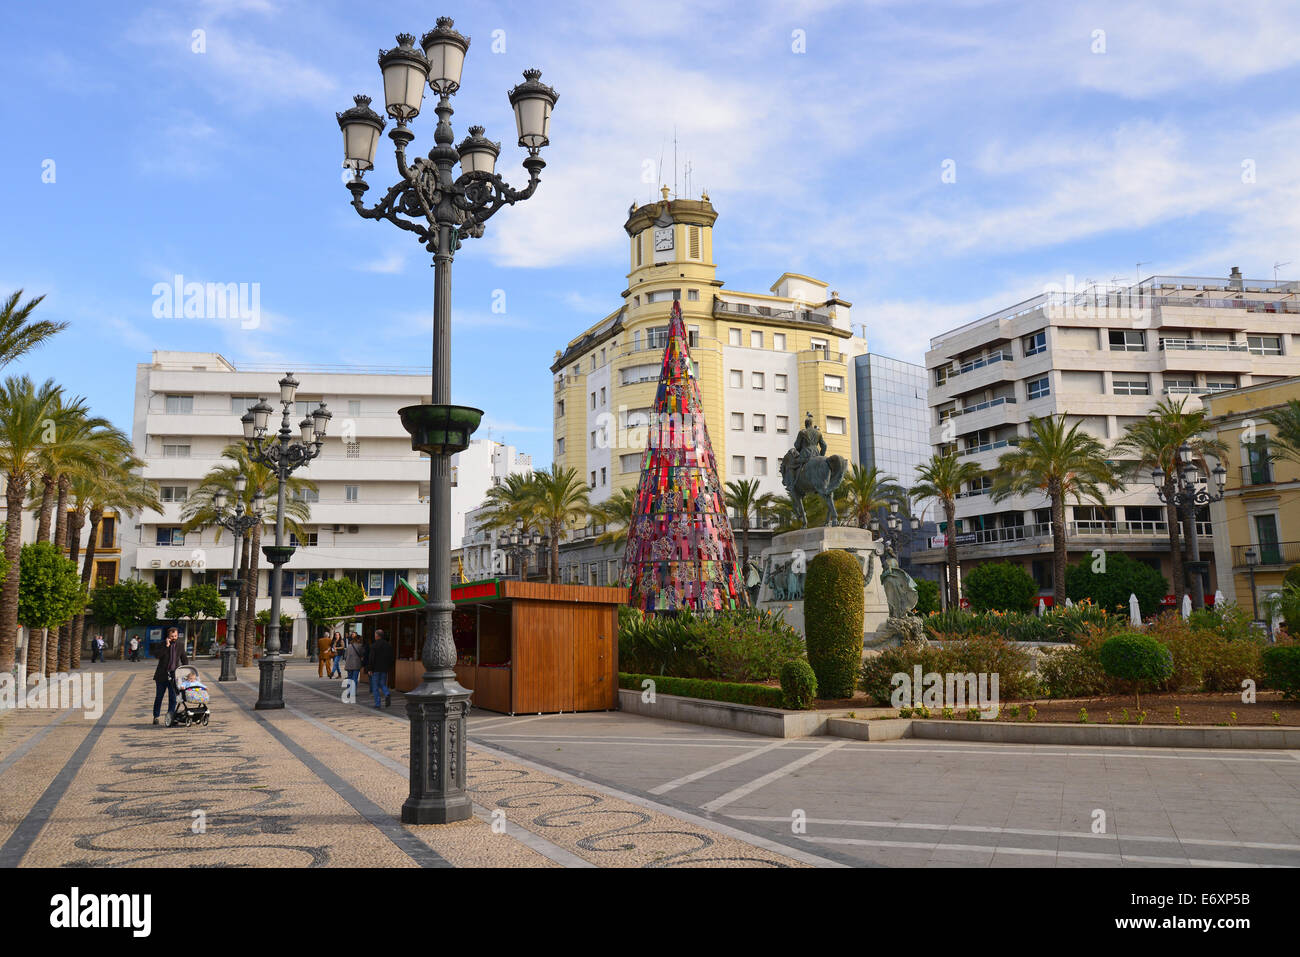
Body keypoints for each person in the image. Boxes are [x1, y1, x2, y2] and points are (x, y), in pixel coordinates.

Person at [152, 627, 189, 725]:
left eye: (175, 636)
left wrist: (186, 671)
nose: (174, 638)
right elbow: (157, 656)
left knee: (173, 697)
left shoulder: (180, 645)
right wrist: (167, 646)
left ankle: (171, 717)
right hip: (161, 675)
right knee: (159, 696)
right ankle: (156, 716)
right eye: (172, 636)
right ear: (168, 636)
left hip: (174, 676)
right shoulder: (161, 644)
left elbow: (184, 659)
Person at [368, 628, 394, 709]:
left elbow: (371, 658)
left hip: (376, 669)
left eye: (375, 635)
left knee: (375, 686)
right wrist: (389, 666)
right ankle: (387, 693)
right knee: (382, 683)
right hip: (384, 668)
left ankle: (377, 703)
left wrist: (370, 669)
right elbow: (391, 657)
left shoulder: (374, 645)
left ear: (377, 636)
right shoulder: (388, 645)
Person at [342, 634, 364, 698]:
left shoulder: (349, 646)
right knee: (354, 679)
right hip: (356, 664)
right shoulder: (360, 646)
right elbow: (362, 654)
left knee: (349, 678)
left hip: (348, 664)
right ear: (358, 639)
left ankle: (348, 691)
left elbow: (345, 656)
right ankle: (353, 692)